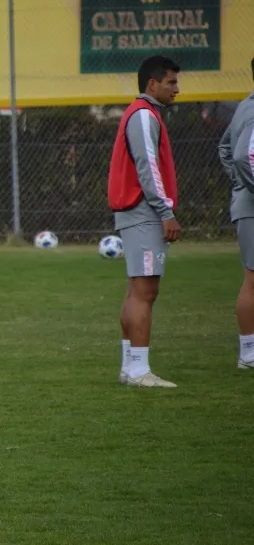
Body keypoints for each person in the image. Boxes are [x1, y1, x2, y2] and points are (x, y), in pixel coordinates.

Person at [107, 55, 182, 388]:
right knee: (145, 292)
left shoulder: (142, 113)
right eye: (171, 82)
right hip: (143, 213)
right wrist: (166, 212)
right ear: (153, 84)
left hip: (136, 211)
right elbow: (148, 167)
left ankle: (130, 367)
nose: (176, 89)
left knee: (137, 290)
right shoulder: (142, 115)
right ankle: (139, 371)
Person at [217, 57, 254, 369]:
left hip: (245, 203)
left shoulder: (244, 105)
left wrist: (240, 183)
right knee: (252, 280)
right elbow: (241, 156)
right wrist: (249, 185)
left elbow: (225, 149)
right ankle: (249, 353)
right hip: (251, 207)